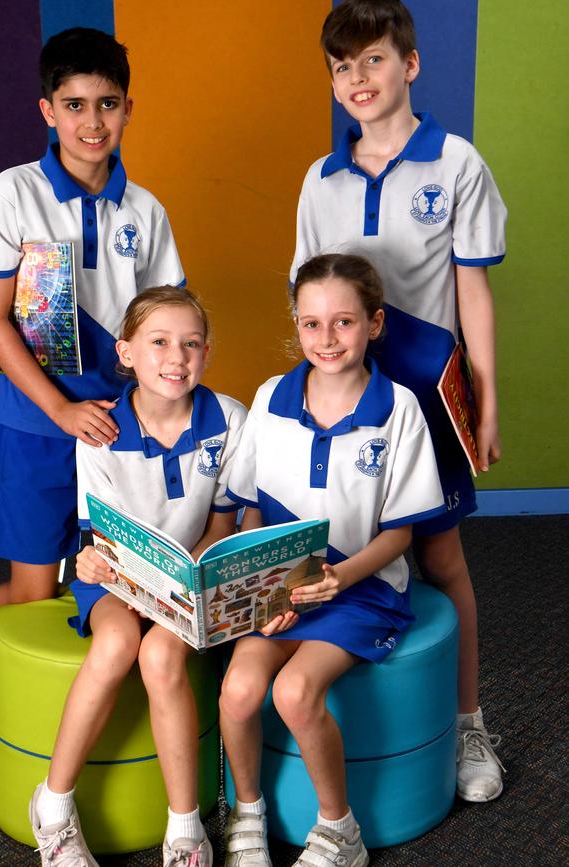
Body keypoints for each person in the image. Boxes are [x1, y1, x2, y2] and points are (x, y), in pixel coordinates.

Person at [290, 0, 507, 802]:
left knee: (441, 559)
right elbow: (311, 294)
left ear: (409, 65)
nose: (358, 79)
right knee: (343, 548)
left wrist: (483, 402)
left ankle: (468, 724)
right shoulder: (322, 177)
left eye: (373, 60)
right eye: (342, 67)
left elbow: (472, 291)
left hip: (428, 396)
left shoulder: (456, 163)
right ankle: (341, 720)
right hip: (349, 398)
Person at [0, 27, 184, 741]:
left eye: (107, 104)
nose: (91, 122)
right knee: (34, 589)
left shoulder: (144, 212)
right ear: (47, 109)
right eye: (74, 104)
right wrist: (60, 407)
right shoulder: (10, 195)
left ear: (128, 109)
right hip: (34, 417)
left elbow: (162, 320)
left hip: (115, 421)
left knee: (111, 578)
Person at [220, 254, 445, 867]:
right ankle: (246, 816)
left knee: (294, 692)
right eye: (311, 324)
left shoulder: (398, 410)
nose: (327, 339)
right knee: (238, 692)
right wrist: (268, 592)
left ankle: (338, 830)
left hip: (362, 587)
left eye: (343, 323)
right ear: (296, 325)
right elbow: (250, 511)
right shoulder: (270, 398)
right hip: (281, 589)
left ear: (374, 324)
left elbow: (399, 535)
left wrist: (339, 577)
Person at [29, 286, 247, 866]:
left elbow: (224, 523)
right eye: (158, 343)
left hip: (192, 577)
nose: (176, 357)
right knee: (121, 640)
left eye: (191, 344)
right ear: (126, 353)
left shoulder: (228, 419)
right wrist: (99, 566)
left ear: (206, 352)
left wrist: (185, 579)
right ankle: (53, 805)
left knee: (160, 655)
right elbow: (98, 541)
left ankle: (185, 828)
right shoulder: (101, 430)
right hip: (116, 577)